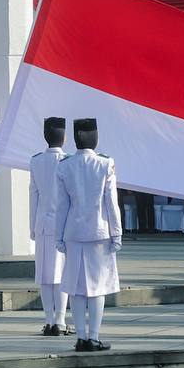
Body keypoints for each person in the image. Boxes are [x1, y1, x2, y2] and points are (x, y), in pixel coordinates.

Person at [54, 118, 121, 352]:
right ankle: (93, 336)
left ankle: (81, 337)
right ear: (95, 137)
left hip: (73, 232)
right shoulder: (105, 163)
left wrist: (58, 236)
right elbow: (111, 204)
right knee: (97, 288)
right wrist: (117, 233)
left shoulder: (65, 165)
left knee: (76, 286)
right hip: (99, 232)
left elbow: (60, 205)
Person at [28, 117, 70, 336]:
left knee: (45, 275)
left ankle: (49, 320)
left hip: (43, 223)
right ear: (63, 138)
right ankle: (61, 321)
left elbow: (32, 194)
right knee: (62, 274)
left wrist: (32, 226)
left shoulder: (36, 161)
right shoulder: (68, 161)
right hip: (64, 225)